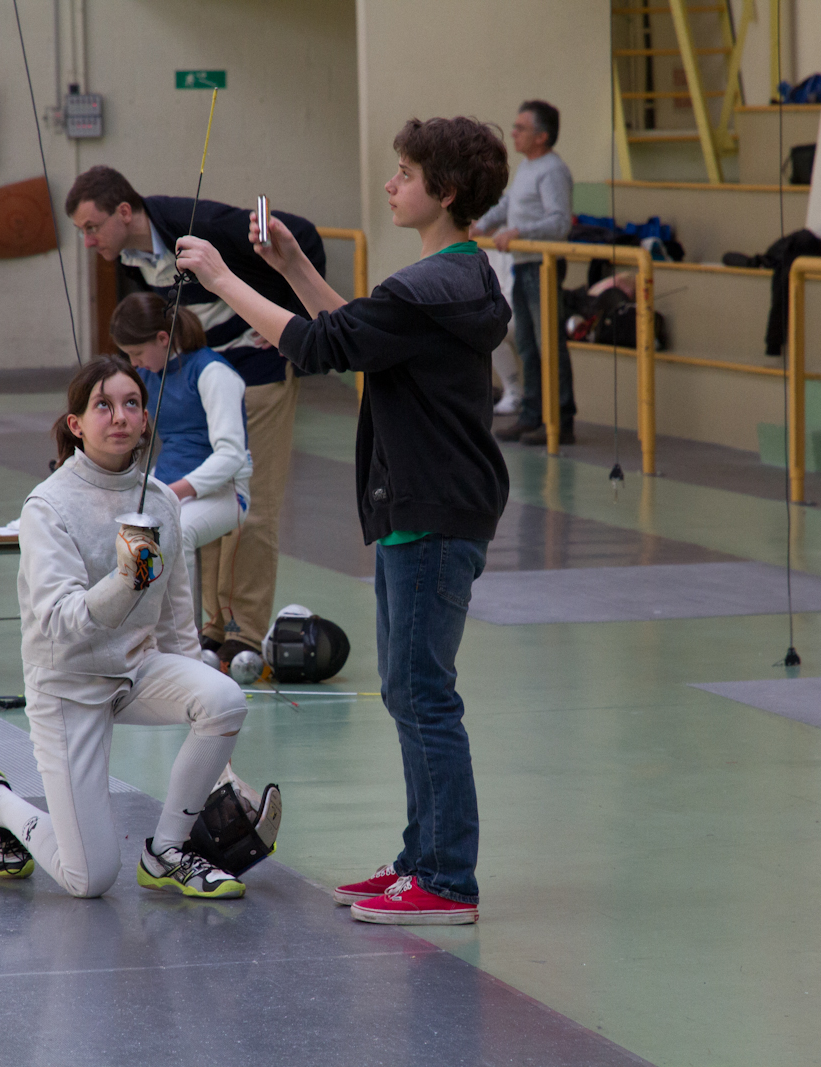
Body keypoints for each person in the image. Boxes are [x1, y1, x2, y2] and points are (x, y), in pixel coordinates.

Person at [176, 115, 511, 924]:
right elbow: (357, 339)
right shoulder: (449, 280)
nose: (391, 184)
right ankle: (421, 859)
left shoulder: (427, 288)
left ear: (446, 192)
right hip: (427, 507)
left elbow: (319, 346)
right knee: (408, 691)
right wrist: (290, 263)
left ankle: (447, 880)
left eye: (406, 174)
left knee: (424, 695)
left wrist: (222, 279)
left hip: (432, 511)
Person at [0, 357, 251, 900]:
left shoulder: (161, 501)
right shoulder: (48, 505)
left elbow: (177, 622)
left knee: (224, 699)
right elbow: (59, 621)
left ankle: (167, 851)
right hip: (68, 684)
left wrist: (218, 755)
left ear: (145, 420)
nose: (119, 417)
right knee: (89, 879)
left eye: (131, 404)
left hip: (137, 669)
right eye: (103, 405)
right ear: (76, 424)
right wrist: (125, 580)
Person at [65, 167, 325, 667]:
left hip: (254, 372)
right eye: (82, 231)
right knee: (198, 514)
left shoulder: (200, 226)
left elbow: (302, 236)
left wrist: (294, 322)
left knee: (252, 510)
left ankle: (244, 632)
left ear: (125, 212)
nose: (88, 241)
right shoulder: (132, 260)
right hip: (202, 372)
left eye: (92, 227)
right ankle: (211, 629)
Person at [109, 292, 252, 615]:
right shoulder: (148, 375)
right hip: (169, 485)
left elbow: (232, 455)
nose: (134, 363)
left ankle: (183, 633)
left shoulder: (213, 372)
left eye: (137, 353)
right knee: (123, 533)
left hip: (224, 492)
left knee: (176, 532)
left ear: (163, 338)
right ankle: (141, 621)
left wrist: (172, 493)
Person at [472, 100, 576, 446]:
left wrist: (519, 232)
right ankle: (532, 415)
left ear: (541, 136)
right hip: (524, 265)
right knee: (529, 347)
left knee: (549, 345)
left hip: (542, 266)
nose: (513, 133)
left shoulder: (552, 170)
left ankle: (560, 419)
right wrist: (481, 224)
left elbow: (559, 221)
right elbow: (508, 204)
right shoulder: (528, 167)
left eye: (521, 128)